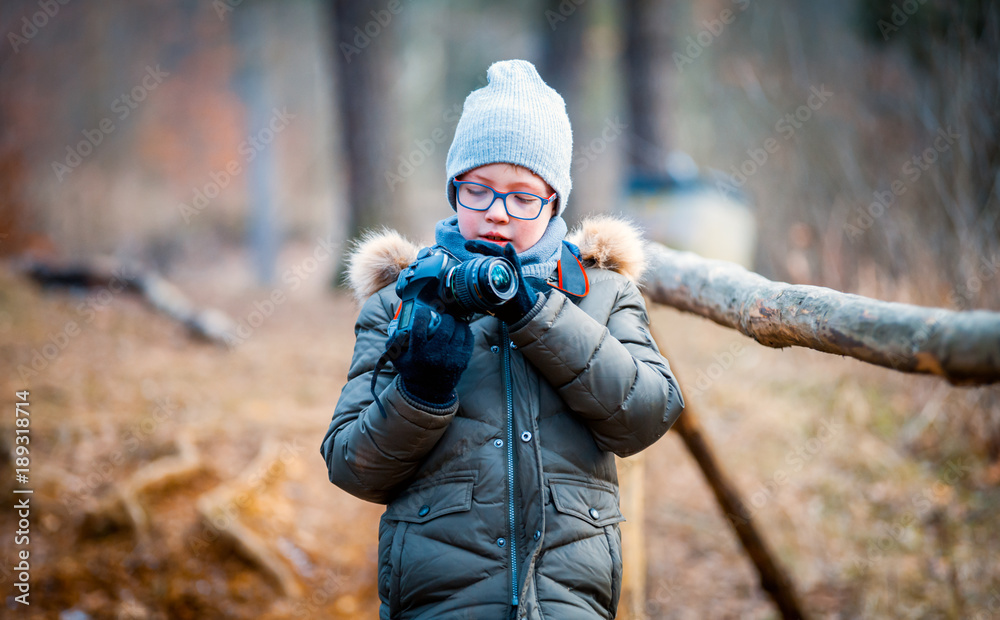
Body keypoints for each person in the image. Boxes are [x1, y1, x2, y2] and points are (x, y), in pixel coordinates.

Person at [321, 59, 685, 620]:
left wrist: (535, 312)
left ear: (554, 202)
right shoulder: (401, 300)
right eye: (478, 191)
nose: (496, 215)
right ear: (454, 190)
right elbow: (353, 466)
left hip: (569, 597)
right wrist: (420, 391)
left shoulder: (600, 291)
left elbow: (645, 415)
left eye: (522, 197)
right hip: (441, 598)